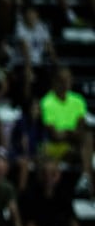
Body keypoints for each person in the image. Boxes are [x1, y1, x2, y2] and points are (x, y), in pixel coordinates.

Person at [41, 66, 94, 196]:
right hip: (55, 148)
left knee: (87, 138)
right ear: (55, 82)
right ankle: (86, 181)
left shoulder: (78, 100)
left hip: (76, 146)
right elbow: (55, 135)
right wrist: (72, 133)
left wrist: (67, 132)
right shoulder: (47, 102)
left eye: (68, 79)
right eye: (62, 80)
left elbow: (81, 127)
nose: (66, 83)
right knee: (86, 148)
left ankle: (85, 180)